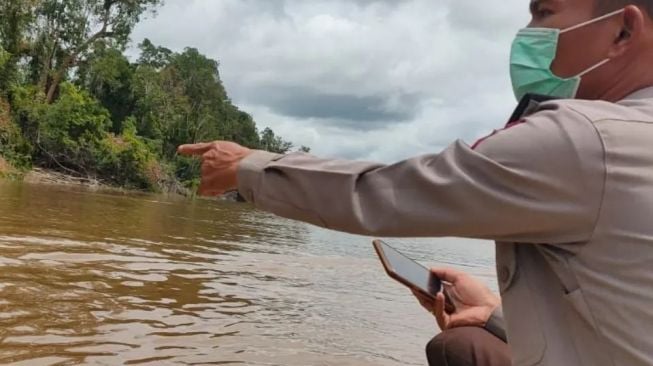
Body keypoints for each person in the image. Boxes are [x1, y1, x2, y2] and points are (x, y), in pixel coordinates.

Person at [178, 0, 653, 365]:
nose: (528, 35)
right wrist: (490, 312)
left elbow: (382, 192)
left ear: (623, 30)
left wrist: (247, 166)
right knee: (465, 343)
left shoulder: (586, 141)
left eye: (544, 13)